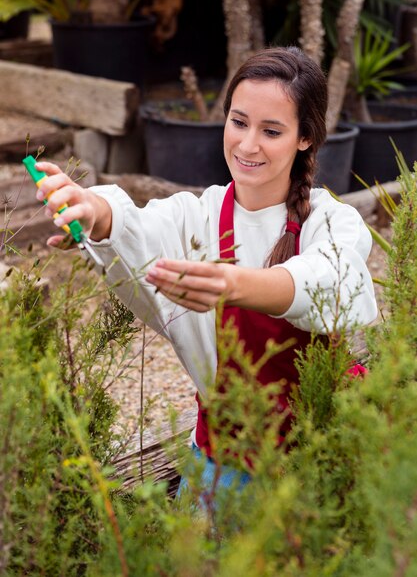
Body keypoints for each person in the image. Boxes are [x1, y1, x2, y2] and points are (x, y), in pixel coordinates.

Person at [34, 46, 378, 495]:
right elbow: (136, 227)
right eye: (238, 122)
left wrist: (235, 284)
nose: (248, 144)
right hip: (224, 467)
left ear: (306, 137)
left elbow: (331, 282)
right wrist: (93, 211)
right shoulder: (196, 216)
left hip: (323, 462)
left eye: (271, 131)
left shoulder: (332, 222)